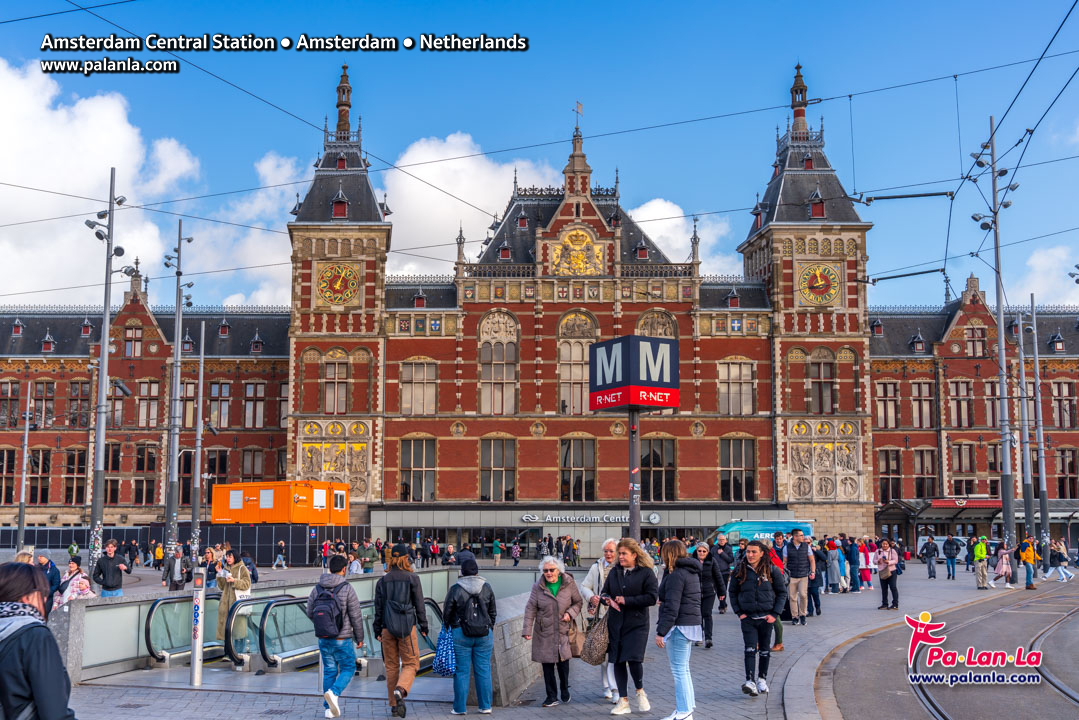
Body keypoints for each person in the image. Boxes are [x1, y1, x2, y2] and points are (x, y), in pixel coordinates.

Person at [0, 562, 78, 720]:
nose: (45, 599)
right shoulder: (35, 636)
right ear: (30, 596)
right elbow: (55, 714)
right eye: (43, 594)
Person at [600, 538, 658, 715]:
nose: (620, 557)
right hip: (616, 623)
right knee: (618, 660)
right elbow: (605, 592)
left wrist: (627, 600)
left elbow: (652, 597)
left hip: (637, 624)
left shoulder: (646, 573)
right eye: (619, 553)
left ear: (634, 554)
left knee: (634, 659)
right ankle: (623, 701)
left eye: (624, 553)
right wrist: (606, 599)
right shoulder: (615, 572)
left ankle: (640, 691)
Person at [374, 543, 428, 718]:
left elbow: (378, 608)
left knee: (391, 666)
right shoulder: (413, 578)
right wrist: (424, 625)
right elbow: (420, 605)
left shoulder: (382, 581)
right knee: (411, 663)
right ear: (406, 558)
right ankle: (401, 689)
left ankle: (394, 706)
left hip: (387, 627)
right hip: (406, 628)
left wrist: (377, 629)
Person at [307, 553, 364, 719]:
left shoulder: (317, 588)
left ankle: (328, 710)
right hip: (342, 638)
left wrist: (324, 625)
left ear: (330, 569)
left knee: (329, 671)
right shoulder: (347, 588)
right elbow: (355, 615)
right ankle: (334, 692)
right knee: (349, 667)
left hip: (323, 638)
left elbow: (310, 611)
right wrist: (359, 637)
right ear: (344, 569)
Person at [523, 555, 584, 708]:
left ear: (559, 570)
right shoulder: (537, 587)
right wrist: (527, 629)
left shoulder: (569, 583)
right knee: (547, 665)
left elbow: (578, 602)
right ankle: (551, 696)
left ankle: (564, 688)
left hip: (563, 630)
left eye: (551, 570)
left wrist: (570, 613)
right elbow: (530, 608)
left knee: (563, 663)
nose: (548, 573)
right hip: (544, 632)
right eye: (545, 571)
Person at [730, 540, 787, 698]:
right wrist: (739, 612)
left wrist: (774, 614)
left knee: (764, 650)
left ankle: (762, 679)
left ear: (762, 553)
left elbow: (782, 593)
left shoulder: (771, 570)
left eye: (754, 552)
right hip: (748, 618)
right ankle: (750, 681)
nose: (750, 555)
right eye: (748, 552)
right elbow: (732, 592)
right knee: (749, 649)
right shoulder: (739, 570)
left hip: (766, 617)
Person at [443, 558, 497, 715]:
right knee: (484, 670)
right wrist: (489, 627)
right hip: (484, 634)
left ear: (462, 572)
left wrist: (450, 627)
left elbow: (447, 613)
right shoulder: (487, 587)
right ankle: (485, 706)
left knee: (461, 671)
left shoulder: (455, 589)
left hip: (460, 633)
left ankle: (460, 708)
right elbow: (493, 612)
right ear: (477, 572)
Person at [656, 540, 701, 720]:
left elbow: (672, 607)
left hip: (679, 625)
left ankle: (683, 711)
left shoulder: (676, 575)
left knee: (679, 671)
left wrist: (661, 632)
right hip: (690, 623)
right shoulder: (690, 572)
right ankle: (686, 708)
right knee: (684, 669)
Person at [580, 538, 619, 700]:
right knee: (604, 654)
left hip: (619, 615)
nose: (608, 554)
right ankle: (608, 686)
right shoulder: (596, 567)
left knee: (615, 655)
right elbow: (584, 586)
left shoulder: (621, 566)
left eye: (611, 551)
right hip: (602, 616)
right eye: (606, 551)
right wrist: (591, 597)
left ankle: (615, 688)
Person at [216, 549, 252, 644]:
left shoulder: (242, 568)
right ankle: (228, 651)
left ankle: (238, 651)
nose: (228, 559)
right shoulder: (225, 569)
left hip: (237, 605)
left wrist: (234, 581)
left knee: (238, 634)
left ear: (235, 557)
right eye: (227, 557)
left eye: (230, 557)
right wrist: (219, 574)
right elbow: (222, 587)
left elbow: (247, 584)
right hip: (225, 605)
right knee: (227, 634)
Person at [693, 543, 724, 647]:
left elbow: (718, 576)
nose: (701, 553)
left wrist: (722, 592)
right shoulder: (692, 561)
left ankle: (708, 638)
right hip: (695, 592)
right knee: (698, 615)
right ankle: (698, 637)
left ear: (707, 552)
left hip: (709, 592)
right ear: (696, 551)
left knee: (707, 613)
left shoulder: (712, 561)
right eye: (699, 551)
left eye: (704, 551)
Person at [784, 529, 815, 626]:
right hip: (792, 576)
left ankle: (803, 615)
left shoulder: (806, 546)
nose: (803, 537)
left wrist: (813, 571)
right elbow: (785, 562)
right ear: (795, 537)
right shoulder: (787, 547)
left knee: (803, 595)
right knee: (792, 597)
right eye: (801, 535)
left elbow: (812, 560)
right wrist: (785, 574)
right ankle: (795, 617)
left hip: (803, 575)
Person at [711, 534, 734, 614]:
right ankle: (723, 604)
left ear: (726, 540)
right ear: (717, 540)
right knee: (717, 589)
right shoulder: (714, 549)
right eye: (720, 540)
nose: (721, 541)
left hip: (725, 572)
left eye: (723, 540)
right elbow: (710, 559)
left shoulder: (728, 549)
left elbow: (730, 560)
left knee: (723, 589)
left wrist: (722, 553)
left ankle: (722, 606)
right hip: (715, 572)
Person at [875, 539, 899, 610]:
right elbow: (874, 560)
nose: (885, 545)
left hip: (891, 571)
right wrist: (878, 561)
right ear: (881, 544)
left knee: (893, 587)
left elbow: (896, 560)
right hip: (882, 571)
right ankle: (884, 604)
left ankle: (895, 604)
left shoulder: (892, 551)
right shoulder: (878, 551)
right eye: (883, 544)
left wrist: (888, 562)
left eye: (886, 544)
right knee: (884, 588)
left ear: (889, 544)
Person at [808, 541, 826, 616]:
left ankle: (817, 607)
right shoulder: (802, 551)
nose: (807, 545)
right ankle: (810, 611)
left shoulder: (814, 550)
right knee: (807, 594)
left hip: (815, 574)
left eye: (808, 543)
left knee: (815, 592)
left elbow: (824, 557)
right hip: (805, 574)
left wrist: (816, 551)